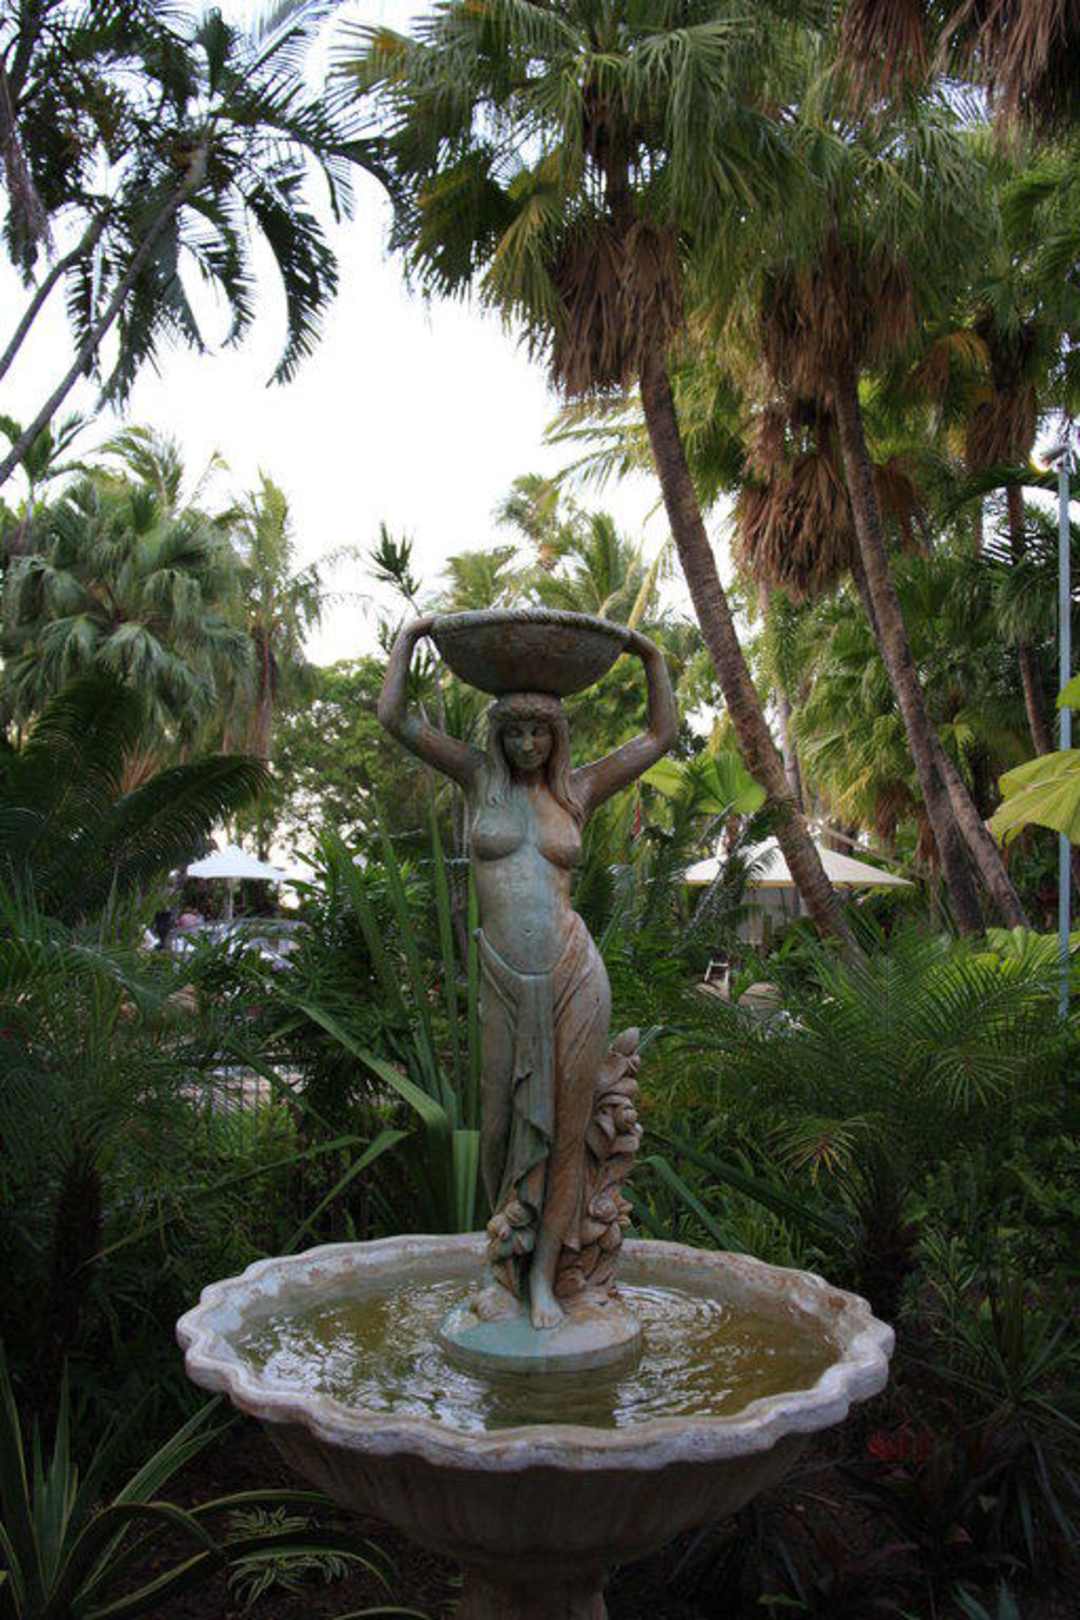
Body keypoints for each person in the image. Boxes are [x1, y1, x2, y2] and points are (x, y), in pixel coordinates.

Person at [378, 616, 677, 1330]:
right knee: (498, 1125)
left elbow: (659, 735)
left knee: (568, 1132)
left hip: (574, 973)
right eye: (514, 732)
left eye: (539, 732)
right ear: (498, 736)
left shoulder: (579, 791)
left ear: (556, 736)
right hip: (503, 976)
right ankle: (504, 1269)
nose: (526, 745)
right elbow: (395, 718)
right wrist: (411, 636)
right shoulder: (478, 780)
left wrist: (650, 656)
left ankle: (542, 1279)